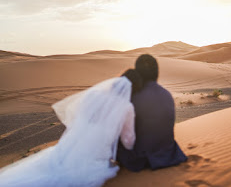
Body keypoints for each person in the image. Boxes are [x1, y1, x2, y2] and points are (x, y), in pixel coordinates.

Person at [0, 69, 142, 187]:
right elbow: (128, 140)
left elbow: (78, 118)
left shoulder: (94, 95)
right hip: (95, 158)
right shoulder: (127, 107)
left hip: (70, 148)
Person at [117, 54, 187, 172]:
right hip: (170, 154)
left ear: (138, 73)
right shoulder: (167, 95)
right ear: (157, 72)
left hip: (141, 158)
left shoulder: (133, 97)